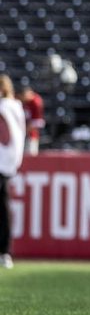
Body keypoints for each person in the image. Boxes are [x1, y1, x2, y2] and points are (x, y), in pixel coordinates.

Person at [0, 74, 26, 269]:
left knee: (3, 207)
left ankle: (4, 251)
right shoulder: (15, 107)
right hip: (8, 163)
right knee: (4, 207)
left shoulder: (6, 108)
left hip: (3, 162)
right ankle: (5, 251)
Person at [19, 79, 45, 156]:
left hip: (31, 135)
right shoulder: (23, 101)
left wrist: (24, 131)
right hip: (22, 134)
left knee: (30, 156)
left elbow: (38, 122)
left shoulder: (36, 102)